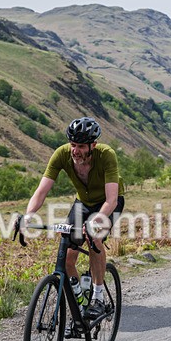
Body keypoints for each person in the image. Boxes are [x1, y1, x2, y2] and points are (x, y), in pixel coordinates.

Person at [21, 117, 125, 320]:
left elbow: (112, 199)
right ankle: (80, 298)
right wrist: (28, 215)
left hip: (107, 203)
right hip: (83, 203)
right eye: (73, 145)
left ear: (93, 145)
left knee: (94, 237)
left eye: (81, 146)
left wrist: (95, 222)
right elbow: (41, 191)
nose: (76, 151)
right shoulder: (61, 155)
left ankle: (98, 298)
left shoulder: (106, 155)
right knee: (68, 256)